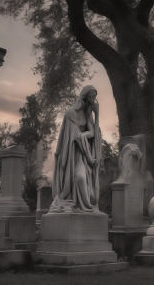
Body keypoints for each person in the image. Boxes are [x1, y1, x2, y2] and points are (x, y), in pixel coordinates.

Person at [49, 85, 102, 213]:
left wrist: (97, 113)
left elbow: (93, 134)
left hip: (81, 155)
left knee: (81, 178)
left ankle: (86, 208)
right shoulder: (71, 112)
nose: (92, 100)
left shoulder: (87, 113)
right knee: (80, 178)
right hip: (71, 154)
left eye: (94, 97)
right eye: (90, 97)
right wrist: (89, 158)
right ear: (84, 96)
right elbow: (75, 138)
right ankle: (85, 208)